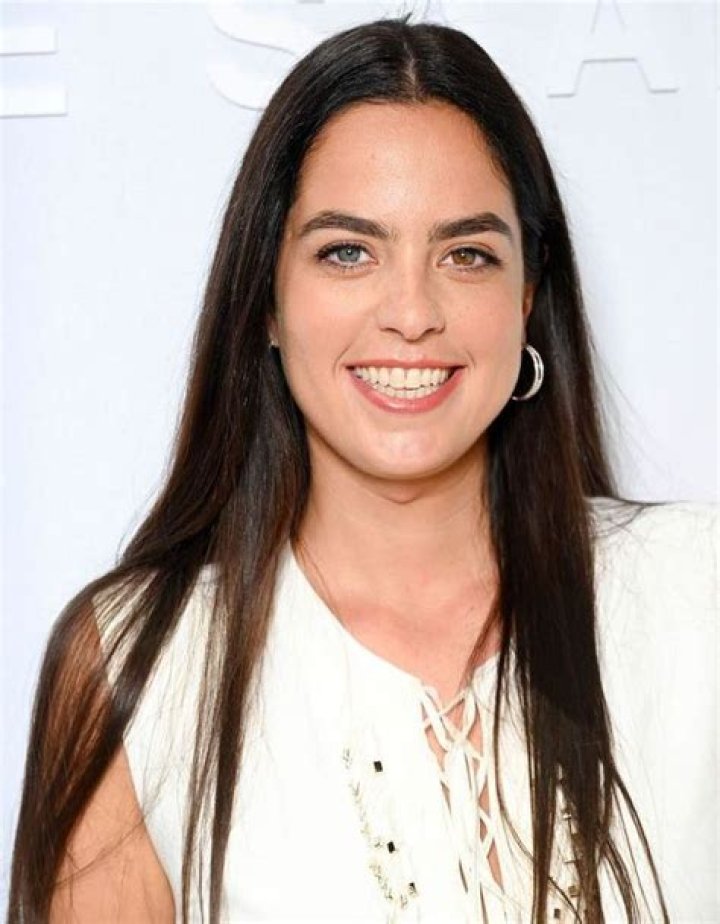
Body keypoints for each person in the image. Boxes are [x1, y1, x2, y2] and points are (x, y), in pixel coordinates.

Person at [8, 13, 716, 924]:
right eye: (348, 252)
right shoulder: (144, 662)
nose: (412, 313)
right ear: (267, 300)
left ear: (527, 297)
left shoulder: (697, 595)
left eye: (467, 254)